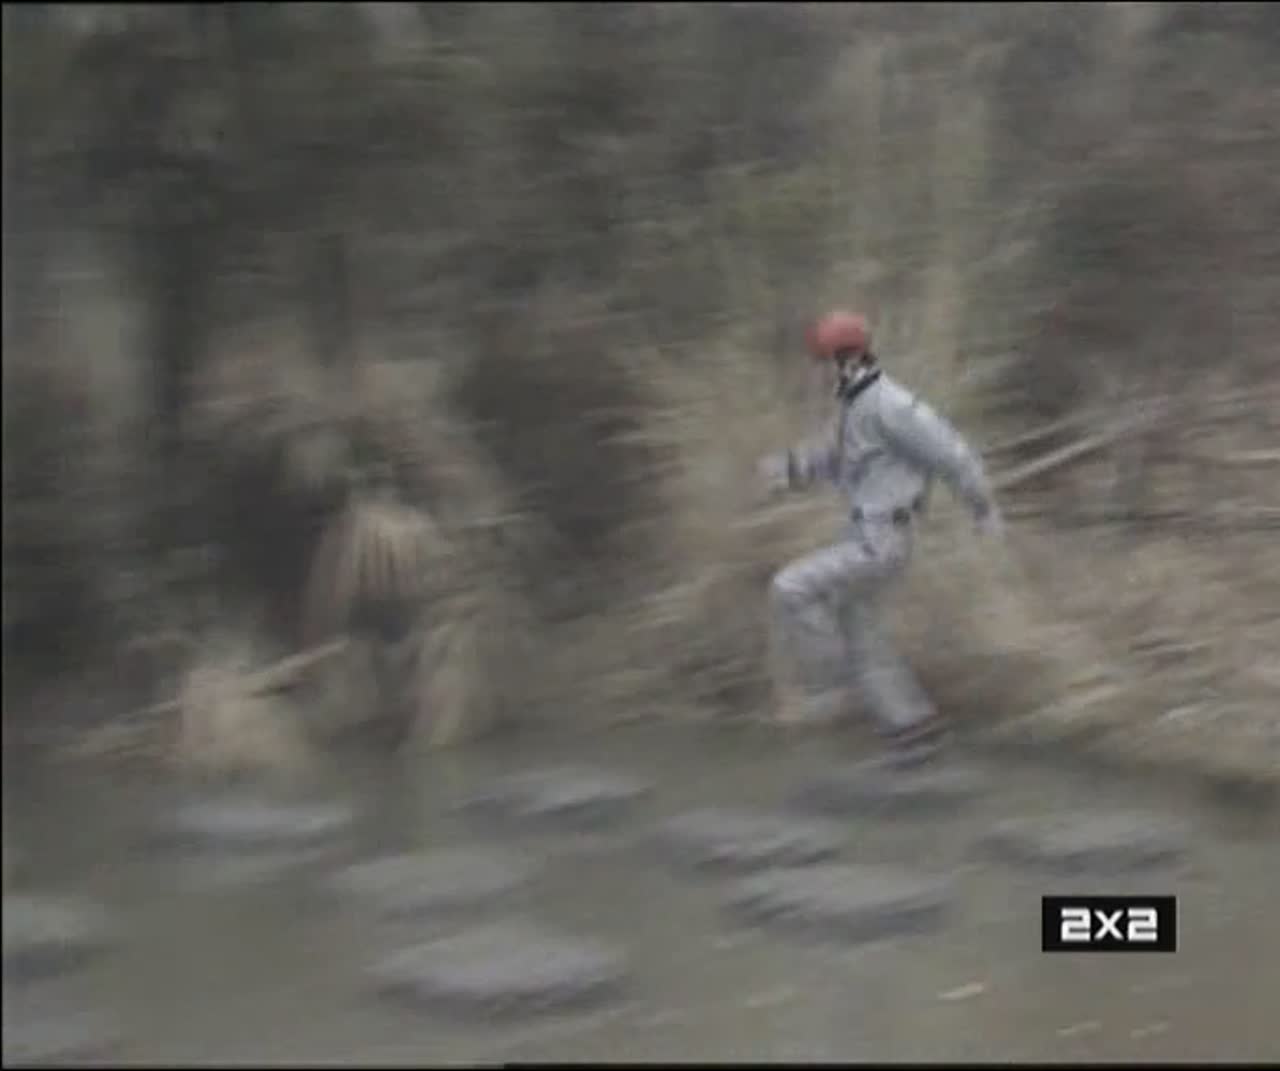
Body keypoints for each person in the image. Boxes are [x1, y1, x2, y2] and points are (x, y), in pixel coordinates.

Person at [759, 310, 1004, 761]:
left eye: (823, 364)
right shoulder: (855, 406)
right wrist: (788, 470)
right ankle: (913, 730)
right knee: (860, 631)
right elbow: (831, 458)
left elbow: (954, 455)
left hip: (882, 541)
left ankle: (828, 691)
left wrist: (983, 510)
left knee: (790, 588)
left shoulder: (893, 406)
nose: (816, 375)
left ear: (848, 360)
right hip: (864, 534)